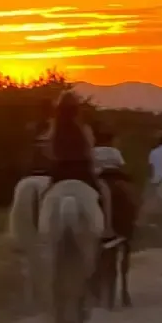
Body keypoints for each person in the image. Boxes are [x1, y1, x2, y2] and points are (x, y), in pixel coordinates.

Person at [45, 91, 123, 250]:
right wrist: (94, 167)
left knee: (43, 195)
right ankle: (107, 231)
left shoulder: (54, 127)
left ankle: (40, 231)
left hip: (59, 171)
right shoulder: (84, 128)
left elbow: (49, 151)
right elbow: (89, 151)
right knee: (104, 192)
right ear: (76, 109)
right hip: (82, 171)